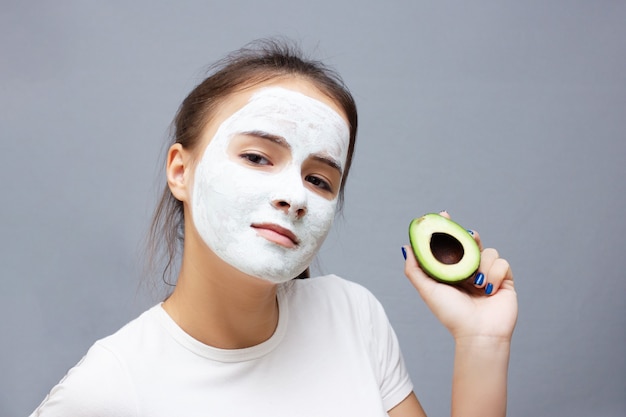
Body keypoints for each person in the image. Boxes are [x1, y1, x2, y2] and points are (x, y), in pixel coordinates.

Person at [30, 39, 517, 417]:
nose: (295, 196)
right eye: (258, 156)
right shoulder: (109, 389)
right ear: (181, 171)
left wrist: (481, 342)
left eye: (320, 179)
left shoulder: (353, 317)